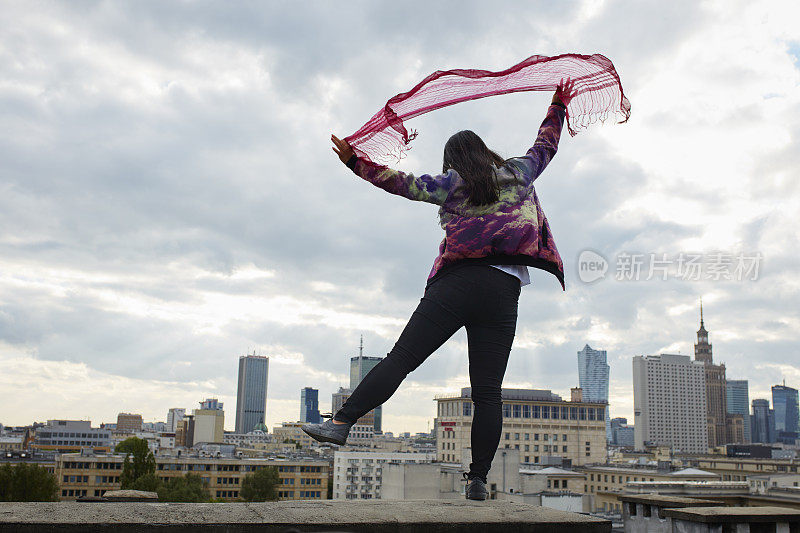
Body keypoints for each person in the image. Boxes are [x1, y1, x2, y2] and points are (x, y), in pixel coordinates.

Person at [303, 79, 577, 501]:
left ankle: (340, 424)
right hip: (503, 291)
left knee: (403, 358)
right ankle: (479, 480)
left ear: (455, 162)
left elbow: (400, 182)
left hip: (456, 284)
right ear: (484, 151)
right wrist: (559, 102)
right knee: (488, 393)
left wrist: (355, 162)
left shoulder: (450, 184)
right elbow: (547, 143)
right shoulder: (520, 171)